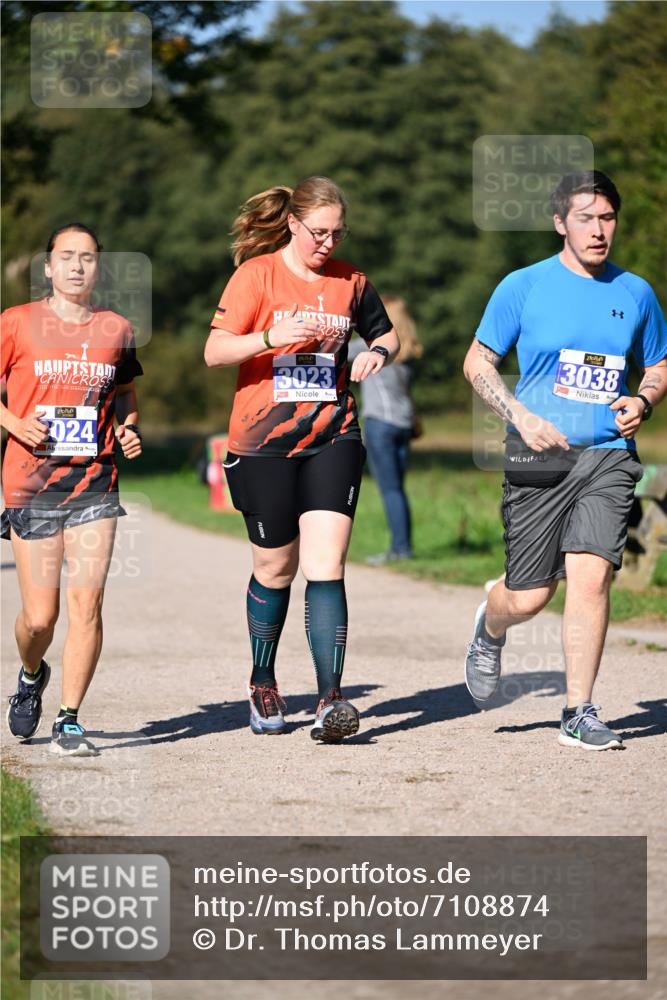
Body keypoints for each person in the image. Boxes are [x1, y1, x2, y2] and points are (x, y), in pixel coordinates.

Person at [463, 170, 667, 751]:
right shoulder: (523, 286)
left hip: (608, 456)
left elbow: (659, 364)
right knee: (530, 595)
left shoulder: (636, 293)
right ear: (560, 224)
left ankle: (579, 710)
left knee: (591, 575)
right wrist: (520, 417)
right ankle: (491, 622)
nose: (599, 230)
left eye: (607, 218)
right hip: (536, 453)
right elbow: (477, 363)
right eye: (586, 218)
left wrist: (643, 399)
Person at [204, 176, 399, 742]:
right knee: (274, 568)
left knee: (327, 564)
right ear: (293, 223)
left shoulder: (352, 282)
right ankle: (264, 680)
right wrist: (269, 335)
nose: (327, 244)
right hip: (262, 442)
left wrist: (377, 354)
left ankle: (329, 698)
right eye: (318, 232)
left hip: (333, 435)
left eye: (337, 234)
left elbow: (386, 333)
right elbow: (215, 351)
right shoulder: (256, 275)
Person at [1, 223, 143, 757]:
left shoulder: (116, 329)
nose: (77, 266)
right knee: (40, 618)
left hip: (94, 481)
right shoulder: (16, 323)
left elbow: (125, 393)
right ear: (48, 267)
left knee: (88, 603)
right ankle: (32, 671)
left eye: (87, 258)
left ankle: (69, 718)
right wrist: (14, 424)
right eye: (66, 257)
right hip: (30, 482)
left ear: (98, 267)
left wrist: (128, 427)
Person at [350, 295, 422, 565]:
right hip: (404, 424)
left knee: (389, 489)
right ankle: (403, 546)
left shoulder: (365, 347)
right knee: (398, 489)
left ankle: (400, 548)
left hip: (380, 424)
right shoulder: (408, 353)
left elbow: (333, 353)